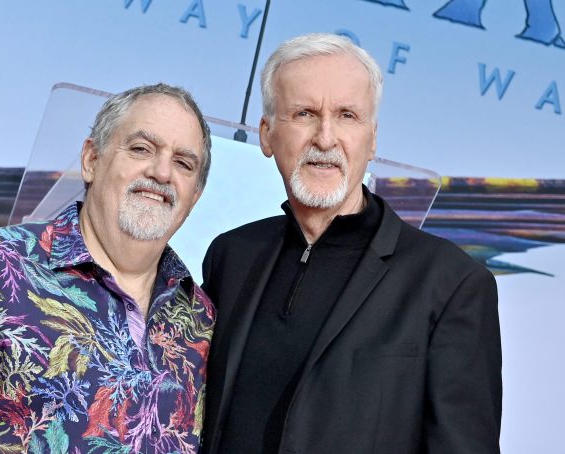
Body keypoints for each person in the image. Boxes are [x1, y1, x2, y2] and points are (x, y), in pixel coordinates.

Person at [201, 33, 501, 453]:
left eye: (347, 116)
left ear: (372, 139)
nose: (326, 138)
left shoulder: (450, 284)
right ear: (267, 135)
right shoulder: (230, 256)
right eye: (304, 113)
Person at [0, 83, 215, 453]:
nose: (162, 172)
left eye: (184, 163)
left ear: (195, 195)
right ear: (91, 159)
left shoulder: (200, 320)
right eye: (141, 149)